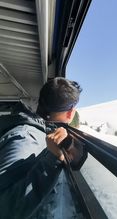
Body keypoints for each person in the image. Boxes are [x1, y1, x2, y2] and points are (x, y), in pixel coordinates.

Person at [0, 77, 85, 219]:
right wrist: (52, 161)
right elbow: (4, 209)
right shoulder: (27, 138)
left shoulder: (40, 134)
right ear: (70, 113)